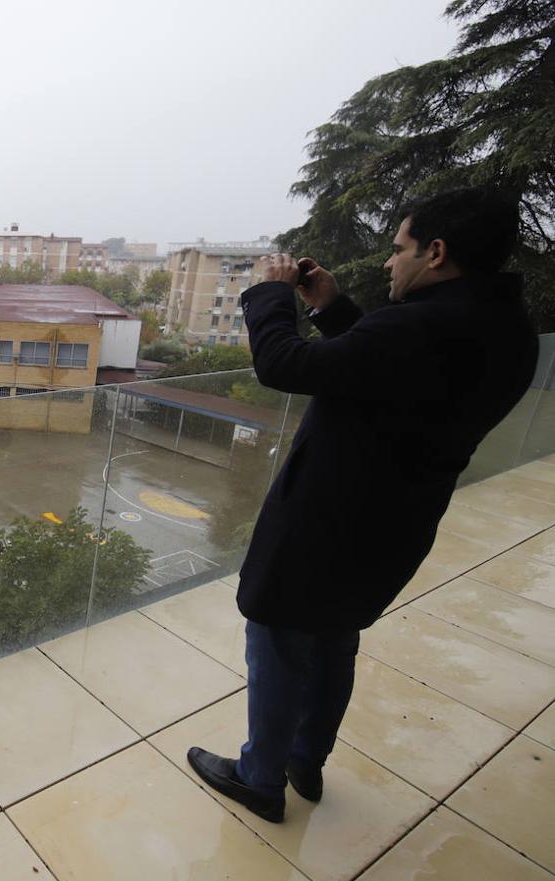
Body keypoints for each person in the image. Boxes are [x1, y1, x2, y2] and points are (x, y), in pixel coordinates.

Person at [187, 187, 539, 823]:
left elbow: (283, 364)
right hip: (398, 522)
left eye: (399, 248)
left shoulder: (422, 325)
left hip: (327, 518)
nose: (388, 262)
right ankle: (304, 760)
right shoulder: (509, 330)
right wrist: (331, 308)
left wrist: (269, 293)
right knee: (335, 640)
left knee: (277, 640)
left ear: (436, 253)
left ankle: (259, 777)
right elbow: (393, 373)